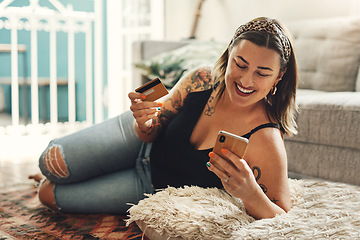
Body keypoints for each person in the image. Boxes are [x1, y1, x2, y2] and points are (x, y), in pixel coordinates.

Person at [35, 17, 298, 220]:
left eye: (262, 73)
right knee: (51, 160)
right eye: (240, 64)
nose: (246, 80)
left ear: (279, 76)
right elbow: (151, 127)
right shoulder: (202, 78)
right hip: (139, 140)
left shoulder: (266, 137)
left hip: (151, 184)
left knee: (47, 193)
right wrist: (144, 121)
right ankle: (75, 172)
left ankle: (75, 176)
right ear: (229, 54)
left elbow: (283, 216)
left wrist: (250, 193)